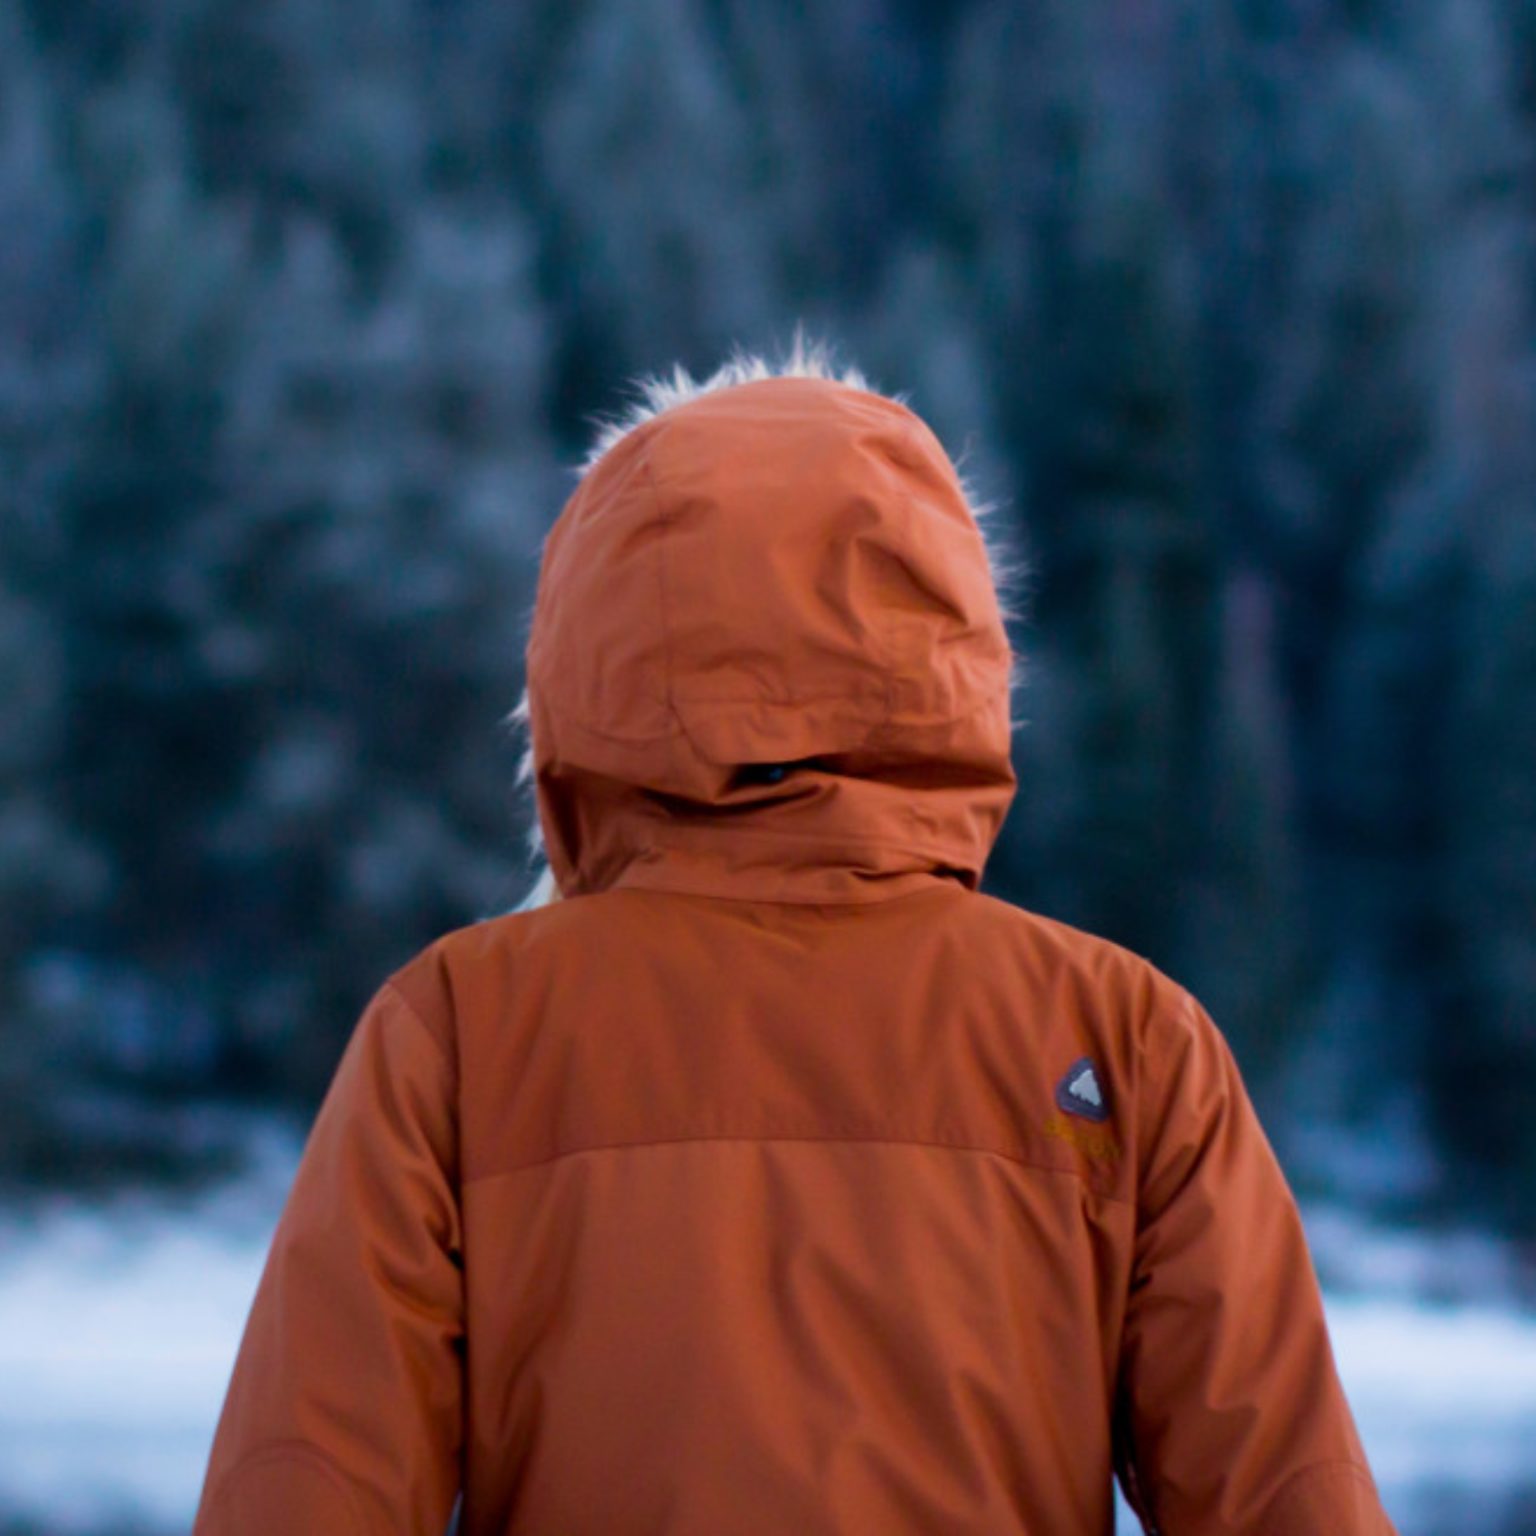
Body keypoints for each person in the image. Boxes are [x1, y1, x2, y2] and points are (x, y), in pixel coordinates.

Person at [193, 344, 1397, 1535]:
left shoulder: (459, 1029)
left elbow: (304, 1489)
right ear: (952, 648)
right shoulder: (1123, 1035)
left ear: (587, 655)